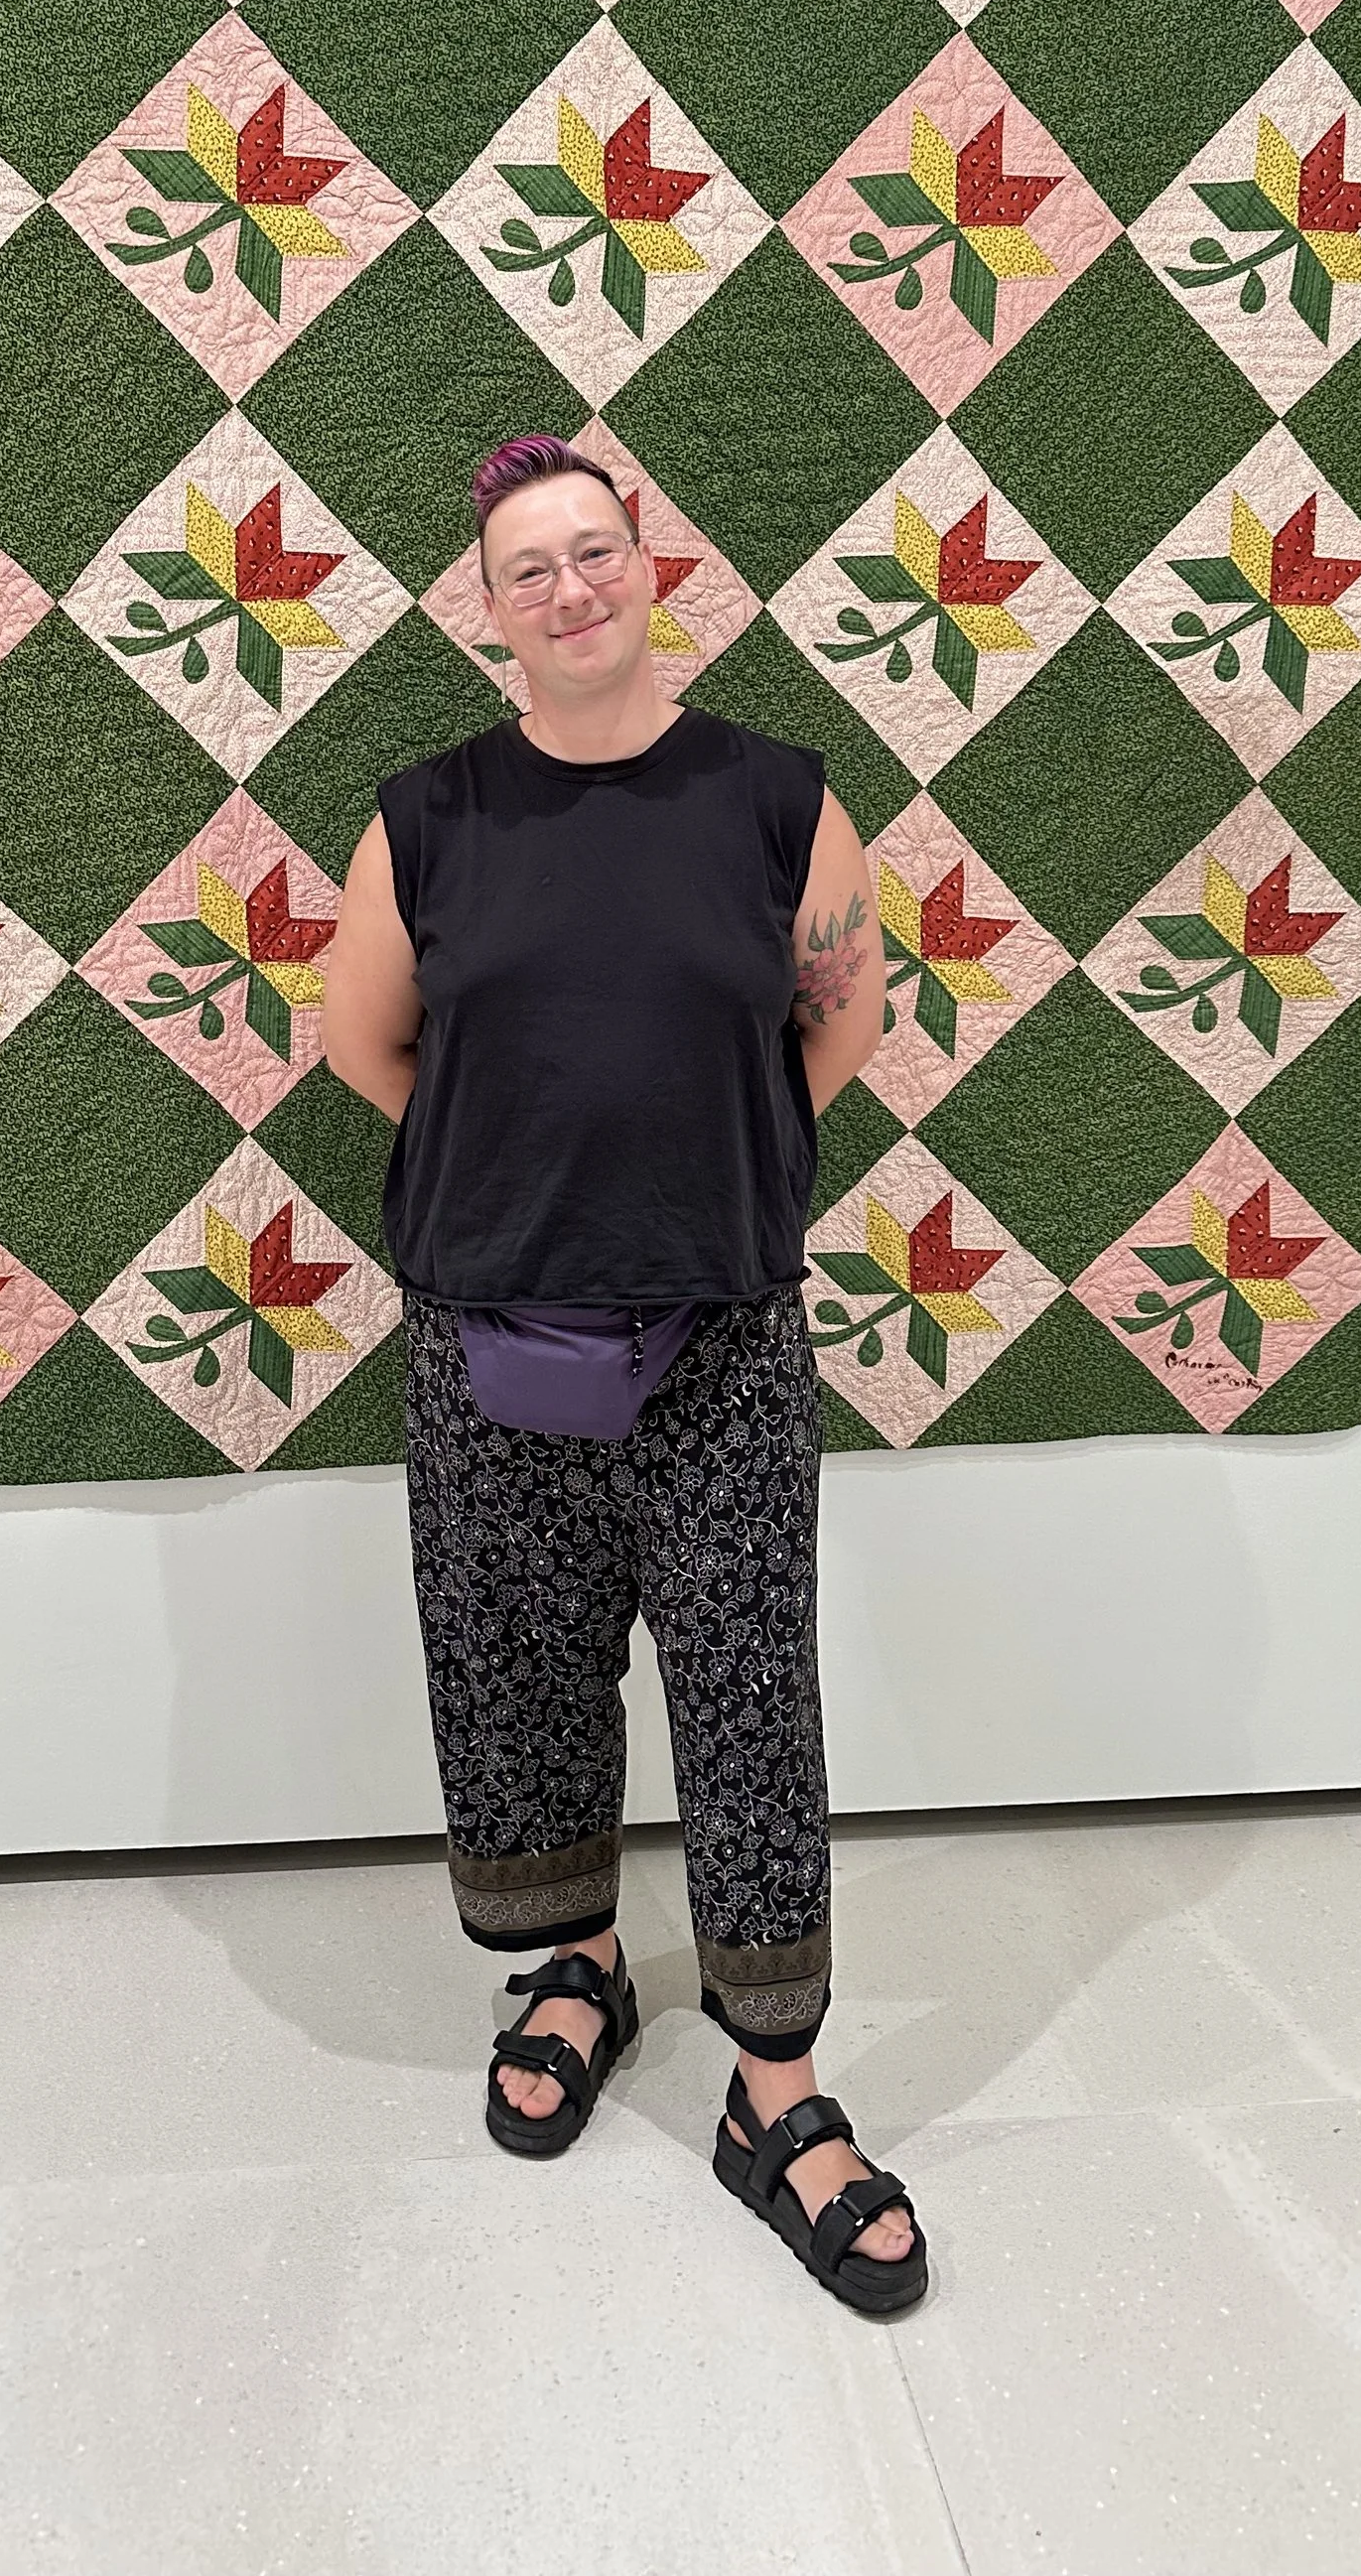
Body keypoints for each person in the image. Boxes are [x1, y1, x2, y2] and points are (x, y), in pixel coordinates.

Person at [322, 435, 926, 2315]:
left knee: (750, 1696)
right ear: (488, 611)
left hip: (722, 1338)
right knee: (517, 1672)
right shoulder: (428, 820)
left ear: (651, 565)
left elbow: (842, 1019)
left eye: (596, 551)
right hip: (487, 1336)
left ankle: (778, 2093)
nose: (570, 588)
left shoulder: (775, 802)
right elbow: (365, 1047)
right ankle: (575, 1969)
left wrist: (700, 1174)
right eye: (531, 568)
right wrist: (524, 1181)